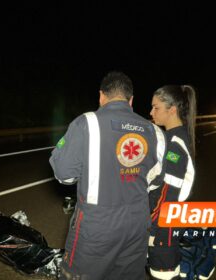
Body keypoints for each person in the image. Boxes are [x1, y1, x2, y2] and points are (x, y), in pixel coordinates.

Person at [49, 71, 167, 280]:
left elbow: (64, 175)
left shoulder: (86, 123)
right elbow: (156, 179)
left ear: (101, 96)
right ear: (131, 100)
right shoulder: (155, 131)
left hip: (97, 225)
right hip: (137, 221)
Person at [148, 85, 197, 280]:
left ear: (172, 110)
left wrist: (152, 224)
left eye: (156, 108)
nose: (151, 112)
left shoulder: (175, 142)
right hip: (166, 218)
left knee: (163, 273)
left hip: (166, 220)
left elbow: (168, 191)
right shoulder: (171, 136)